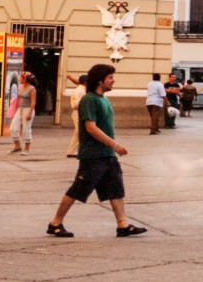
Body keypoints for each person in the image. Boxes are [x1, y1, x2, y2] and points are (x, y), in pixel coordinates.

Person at [47, 64, 147, 238]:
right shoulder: (90, 100)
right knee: (78, 189)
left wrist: (111, 149)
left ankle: (122, 225)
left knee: (115, 189)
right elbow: (90, 128)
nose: (113, 80)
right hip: (93, 155)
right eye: (110, 77)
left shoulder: (104, 99)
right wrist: (114, 145)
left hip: (107, 155)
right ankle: (55, 223)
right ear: (100, 81)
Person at [9, 70, 36, 156]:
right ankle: (17, 147)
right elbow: (16, 97)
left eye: (21, 77)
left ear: (26, 79)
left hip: (28, 109)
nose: (20, 79)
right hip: (19, 109)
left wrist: (30, 113)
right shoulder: (20, 87)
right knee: (13, 128)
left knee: (26, 129)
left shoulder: (32, 89)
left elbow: (33, 102)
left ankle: (27, 149)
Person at [63, 76, 86, 155]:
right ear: (85, 82)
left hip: (80, 112)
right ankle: (82, 150)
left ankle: (71, 151)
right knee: (81, 131)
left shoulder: (82, 90)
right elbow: (76, 104)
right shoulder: (79, 91)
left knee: (78, 132)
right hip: (78, 112)